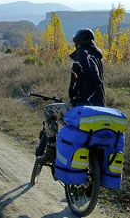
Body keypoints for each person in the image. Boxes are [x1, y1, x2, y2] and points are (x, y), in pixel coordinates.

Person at [40, 28, 105, 163]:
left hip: (82, 105)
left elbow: (91, 78)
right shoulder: (96, 56)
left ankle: (51, 150)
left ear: (77, 43)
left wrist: (77, 97)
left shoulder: (82, 55)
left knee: (48, 111)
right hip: (100, 107)